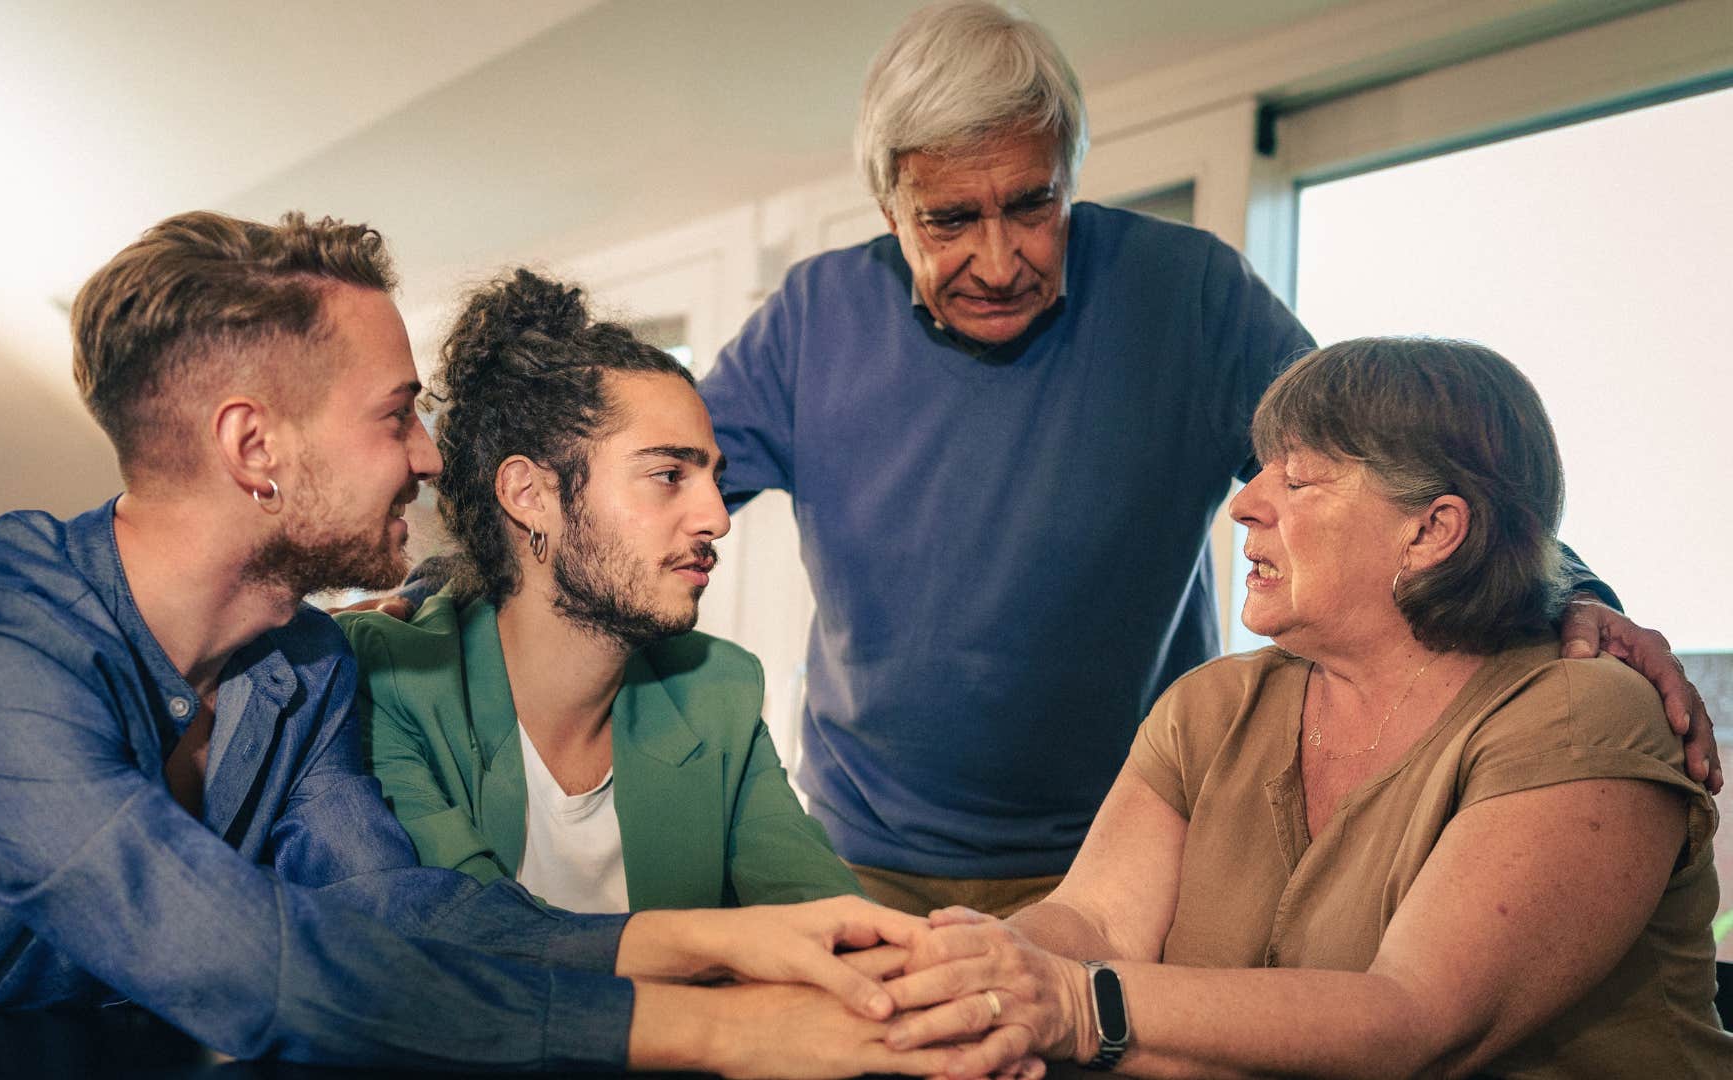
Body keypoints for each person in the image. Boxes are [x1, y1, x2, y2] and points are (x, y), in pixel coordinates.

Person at [0, 210, 969, 1078]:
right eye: (394, 413)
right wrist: (717, 1027)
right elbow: (240, 964)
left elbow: (404, 910)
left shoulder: (301, 666)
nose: (428, 456)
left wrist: (733, 941)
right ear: (254, 447)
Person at [694, 0, 1719, 916]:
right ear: (889, 209)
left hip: (1128, 847)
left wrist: (1568, 587)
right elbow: (658, 490)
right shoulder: (811, 320)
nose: (1000, 260)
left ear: (1071, 180)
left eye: (1033, 206)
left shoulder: (1187, 296)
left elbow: (1399, 475)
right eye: (951, 219)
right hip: (862, 851)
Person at [875, 338, 1732, 1078]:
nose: (1246, 502)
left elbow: (1416, 1022)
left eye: (1301, 480)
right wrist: (971, 972)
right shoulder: (1213, 706)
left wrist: (1074, 1001)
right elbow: (1098, 919)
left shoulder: (1583, 717)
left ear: (1432, 532)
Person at [340, 269, 857, 912]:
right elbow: (472, 946)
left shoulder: (717, 690)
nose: (719, 518)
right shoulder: (387, 681)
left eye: (712, 478)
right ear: (530, 495)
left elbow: (821, 913)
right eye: (669, 474)